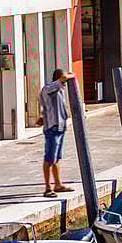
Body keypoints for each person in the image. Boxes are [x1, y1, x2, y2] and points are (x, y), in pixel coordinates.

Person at [40, 69, 76, 198]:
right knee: (49, 158)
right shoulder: (49, 88)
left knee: (56, 159)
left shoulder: (60, 90)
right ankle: (47, 188)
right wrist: (71, 75)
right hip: (52, 128)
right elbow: (63, 78)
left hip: (60, 127)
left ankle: (58, 184)